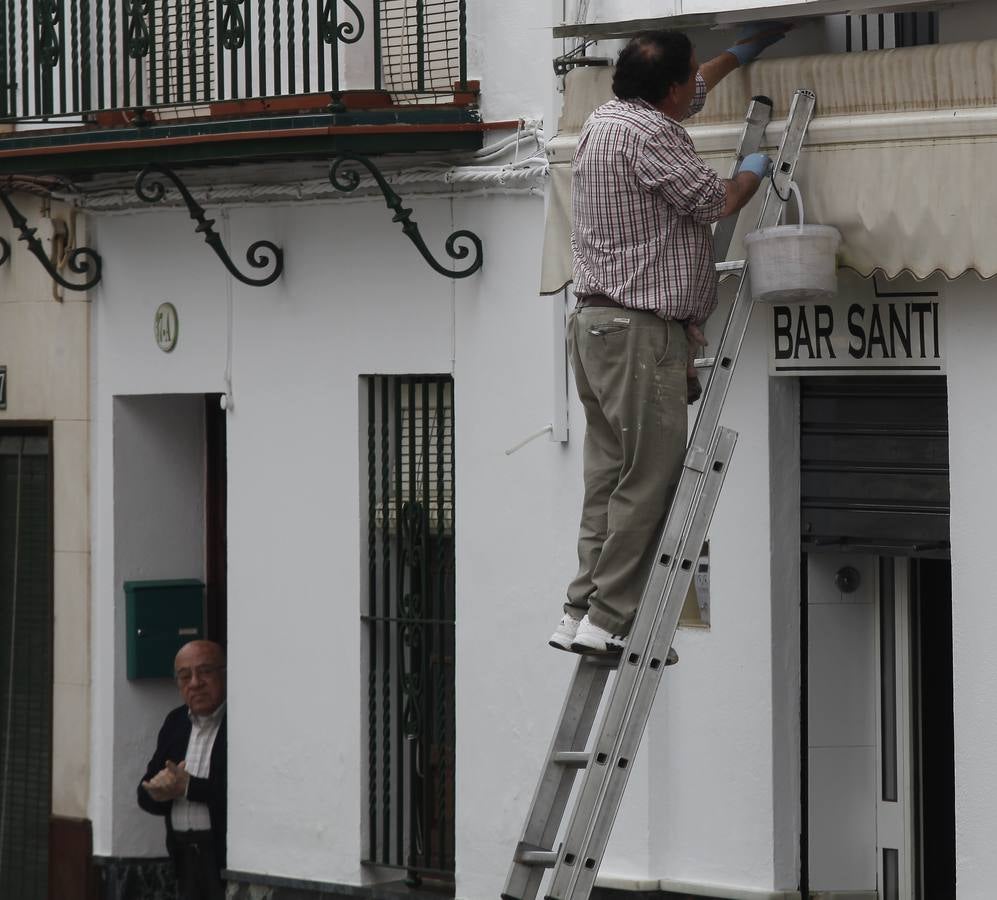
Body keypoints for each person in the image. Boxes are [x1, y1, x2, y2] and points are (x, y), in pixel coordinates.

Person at [550, 25, 790, 656]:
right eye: (692, 80)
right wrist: (754, 172)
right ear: (671, 89)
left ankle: (578, 612)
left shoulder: (606, 118)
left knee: (607, 476)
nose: (697, 86)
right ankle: (610, 619)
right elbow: (713, 199)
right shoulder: (654, 133)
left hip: (595, 327)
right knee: (650, 478)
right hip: (639, 335)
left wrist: (743, 53)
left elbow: (695, 82)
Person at [138, 640, 227, 900]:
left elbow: (242, 795)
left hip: (222, 856)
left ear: (225, 673)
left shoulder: (238, 722)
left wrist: (188, 787)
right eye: (185, 676)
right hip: (183, 857)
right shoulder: (175, 722)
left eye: (206, 672)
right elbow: (145, 791)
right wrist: (157, 791)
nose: (195, 683)